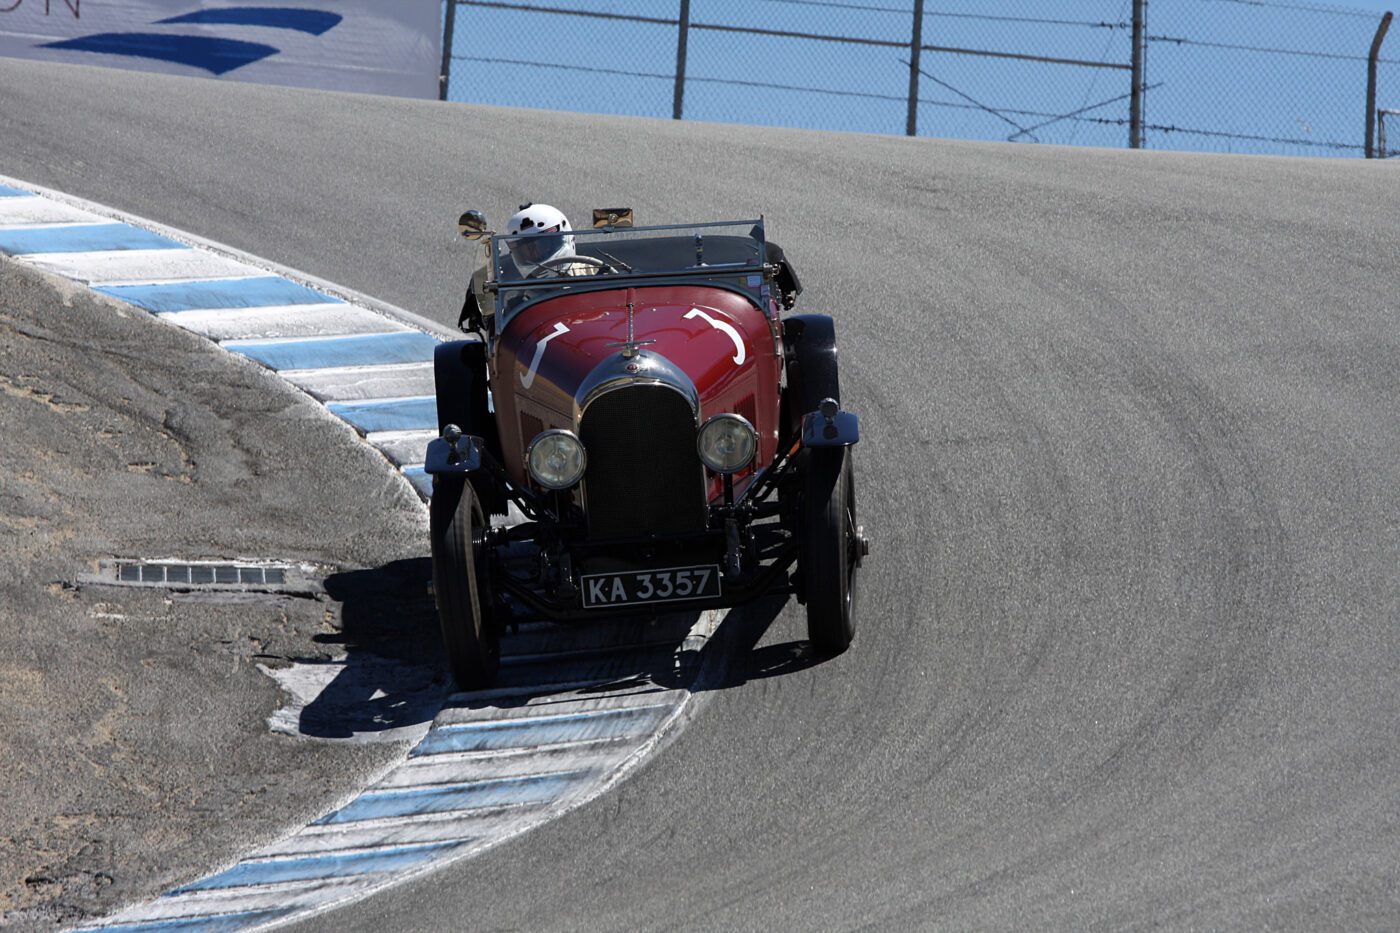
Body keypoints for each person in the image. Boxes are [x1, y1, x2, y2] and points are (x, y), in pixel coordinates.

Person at [458, 203, 593, 334]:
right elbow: (500, 334)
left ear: (566, 237)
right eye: (527, 252)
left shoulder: (593, 272)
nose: (536, 255)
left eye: (544, 246)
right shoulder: (517, 297)